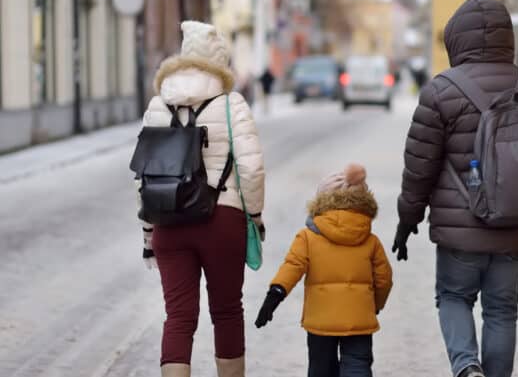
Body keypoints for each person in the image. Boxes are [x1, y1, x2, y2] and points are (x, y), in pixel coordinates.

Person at [393, 0, 518, 377]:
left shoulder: (440, 92)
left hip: (461, 231)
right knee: (502, 309)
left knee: (454, 297)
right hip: (517, 226)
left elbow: (419, 166)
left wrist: (408, 219)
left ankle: (467, 367)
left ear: (456, 40)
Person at [140, 21, 266, 377]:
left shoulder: (157, 105)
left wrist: (149, 231)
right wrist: (254, 216)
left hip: (168, 220)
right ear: (220, 62)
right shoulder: (231, 103)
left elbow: (146, 173)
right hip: (222, 220)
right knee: (226, 312)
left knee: (178, 317)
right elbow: (251, 169)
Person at [254, 164, 393, 377]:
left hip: (320, 322)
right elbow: (384, 279)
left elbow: (291, 268)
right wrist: (374, 305)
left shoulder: (307, 238)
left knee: (321, 368)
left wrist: (274, 297)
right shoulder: (371, 240)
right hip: (359, 319)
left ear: (320, 202)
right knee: (358, 366)